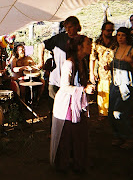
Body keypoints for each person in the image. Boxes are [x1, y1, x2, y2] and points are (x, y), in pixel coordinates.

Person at [50, 35, 95, 172]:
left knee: (78, 134)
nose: (91, 46)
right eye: (88, 44)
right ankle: (63, 166)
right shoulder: (69, 63)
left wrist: (86, 85)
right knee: (67, 136)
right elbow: (64, 87)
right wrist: (84, 89)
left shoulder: (82, 61)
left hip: (76, 103)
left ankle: (78, 162)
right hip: (66, 106)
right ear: (79, 47)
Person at [38, 16, 82, 115]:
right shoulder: (59, 38)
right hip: (56, 79)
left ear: (77, 26)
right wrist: (41, 61)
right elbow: (42, 45)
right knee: (54, 109)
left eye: (70, 27)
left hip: (73, 81)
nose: (68, 29)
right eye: (66, 27)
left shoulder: (81, 40)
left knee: (71, 109)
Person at [109, 27, 133, 149]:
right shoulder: (115, 49)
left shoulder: (132, 50)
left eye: (123, 35)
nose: (120, 37)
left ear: (127, 36)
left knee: (120, 112)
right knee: (111, 112)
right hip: (115, 84)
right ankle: (118, 136)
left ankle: (129, 137)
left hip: (126, 85)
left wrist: (131, 62)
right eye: (118, 35)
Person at [89, 21, 117, 118]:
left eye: (111, 31)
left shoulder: (116, 41)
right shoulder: (97, 43)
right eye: (108, 30)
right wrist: (91, 73)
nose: (110, 32)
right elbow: (92, 59)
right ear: (103, 30)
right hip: (103, 74)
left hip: (116, 74)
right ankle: (103, 115)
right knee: (103, 95)